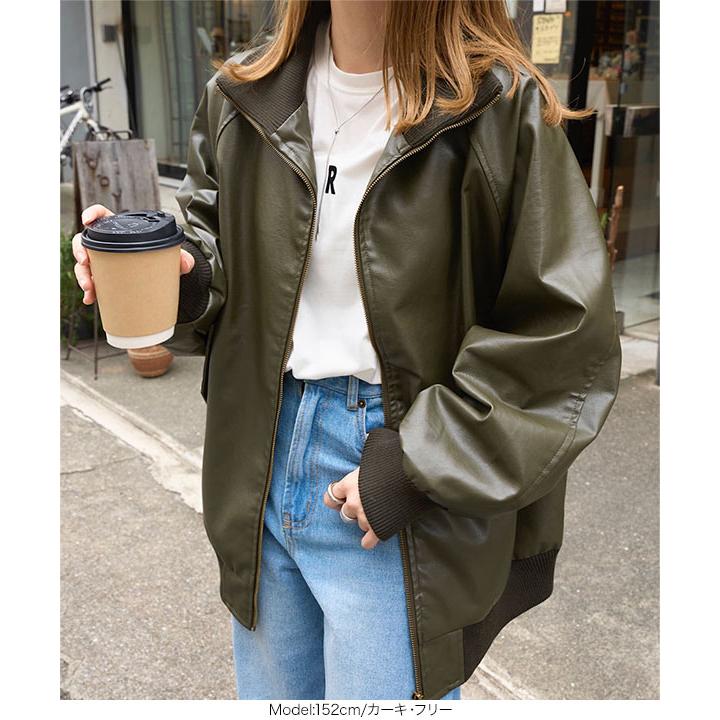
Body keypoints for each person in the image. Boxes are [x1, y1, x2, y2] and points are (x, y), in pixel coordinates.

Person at [72, 0, 622, 701]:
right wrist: (177, 272)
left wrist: (420, 461)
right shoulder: (244, 94)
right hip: (258, 460)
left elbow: (563, 332)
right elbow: (221, 251)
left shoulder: (493, 106)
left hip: (387, 481)